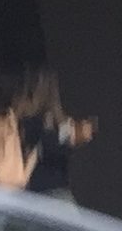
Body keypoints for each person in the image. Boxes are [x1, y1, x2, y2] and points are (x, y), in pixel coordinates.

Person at [15, 66, 95, 198]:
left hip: (43, 193)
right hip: (56, 192)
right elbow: (57, 148)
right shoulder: (59, 124)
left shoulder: (31, 123)